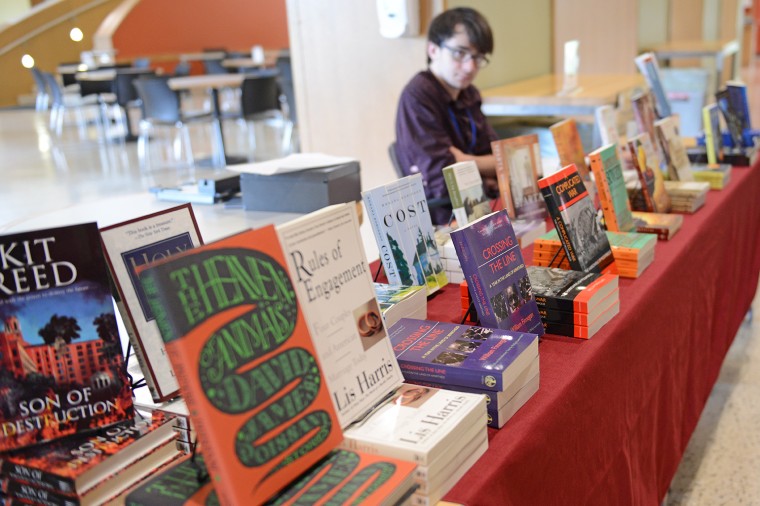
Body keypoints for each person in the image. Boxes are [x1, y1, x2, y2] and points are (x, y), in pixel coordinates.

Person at [394, 7, 498, 225]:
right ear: (433, 50)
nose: (470, 67)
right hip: (444, 220)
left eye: (478, 58)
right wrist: (486, 168)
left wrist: (466, 160)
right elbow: (444, 179)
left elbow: (502, 158)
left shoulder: (469, 93)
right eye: (460, 53)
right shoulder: (419, 96)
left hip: (483, 207)